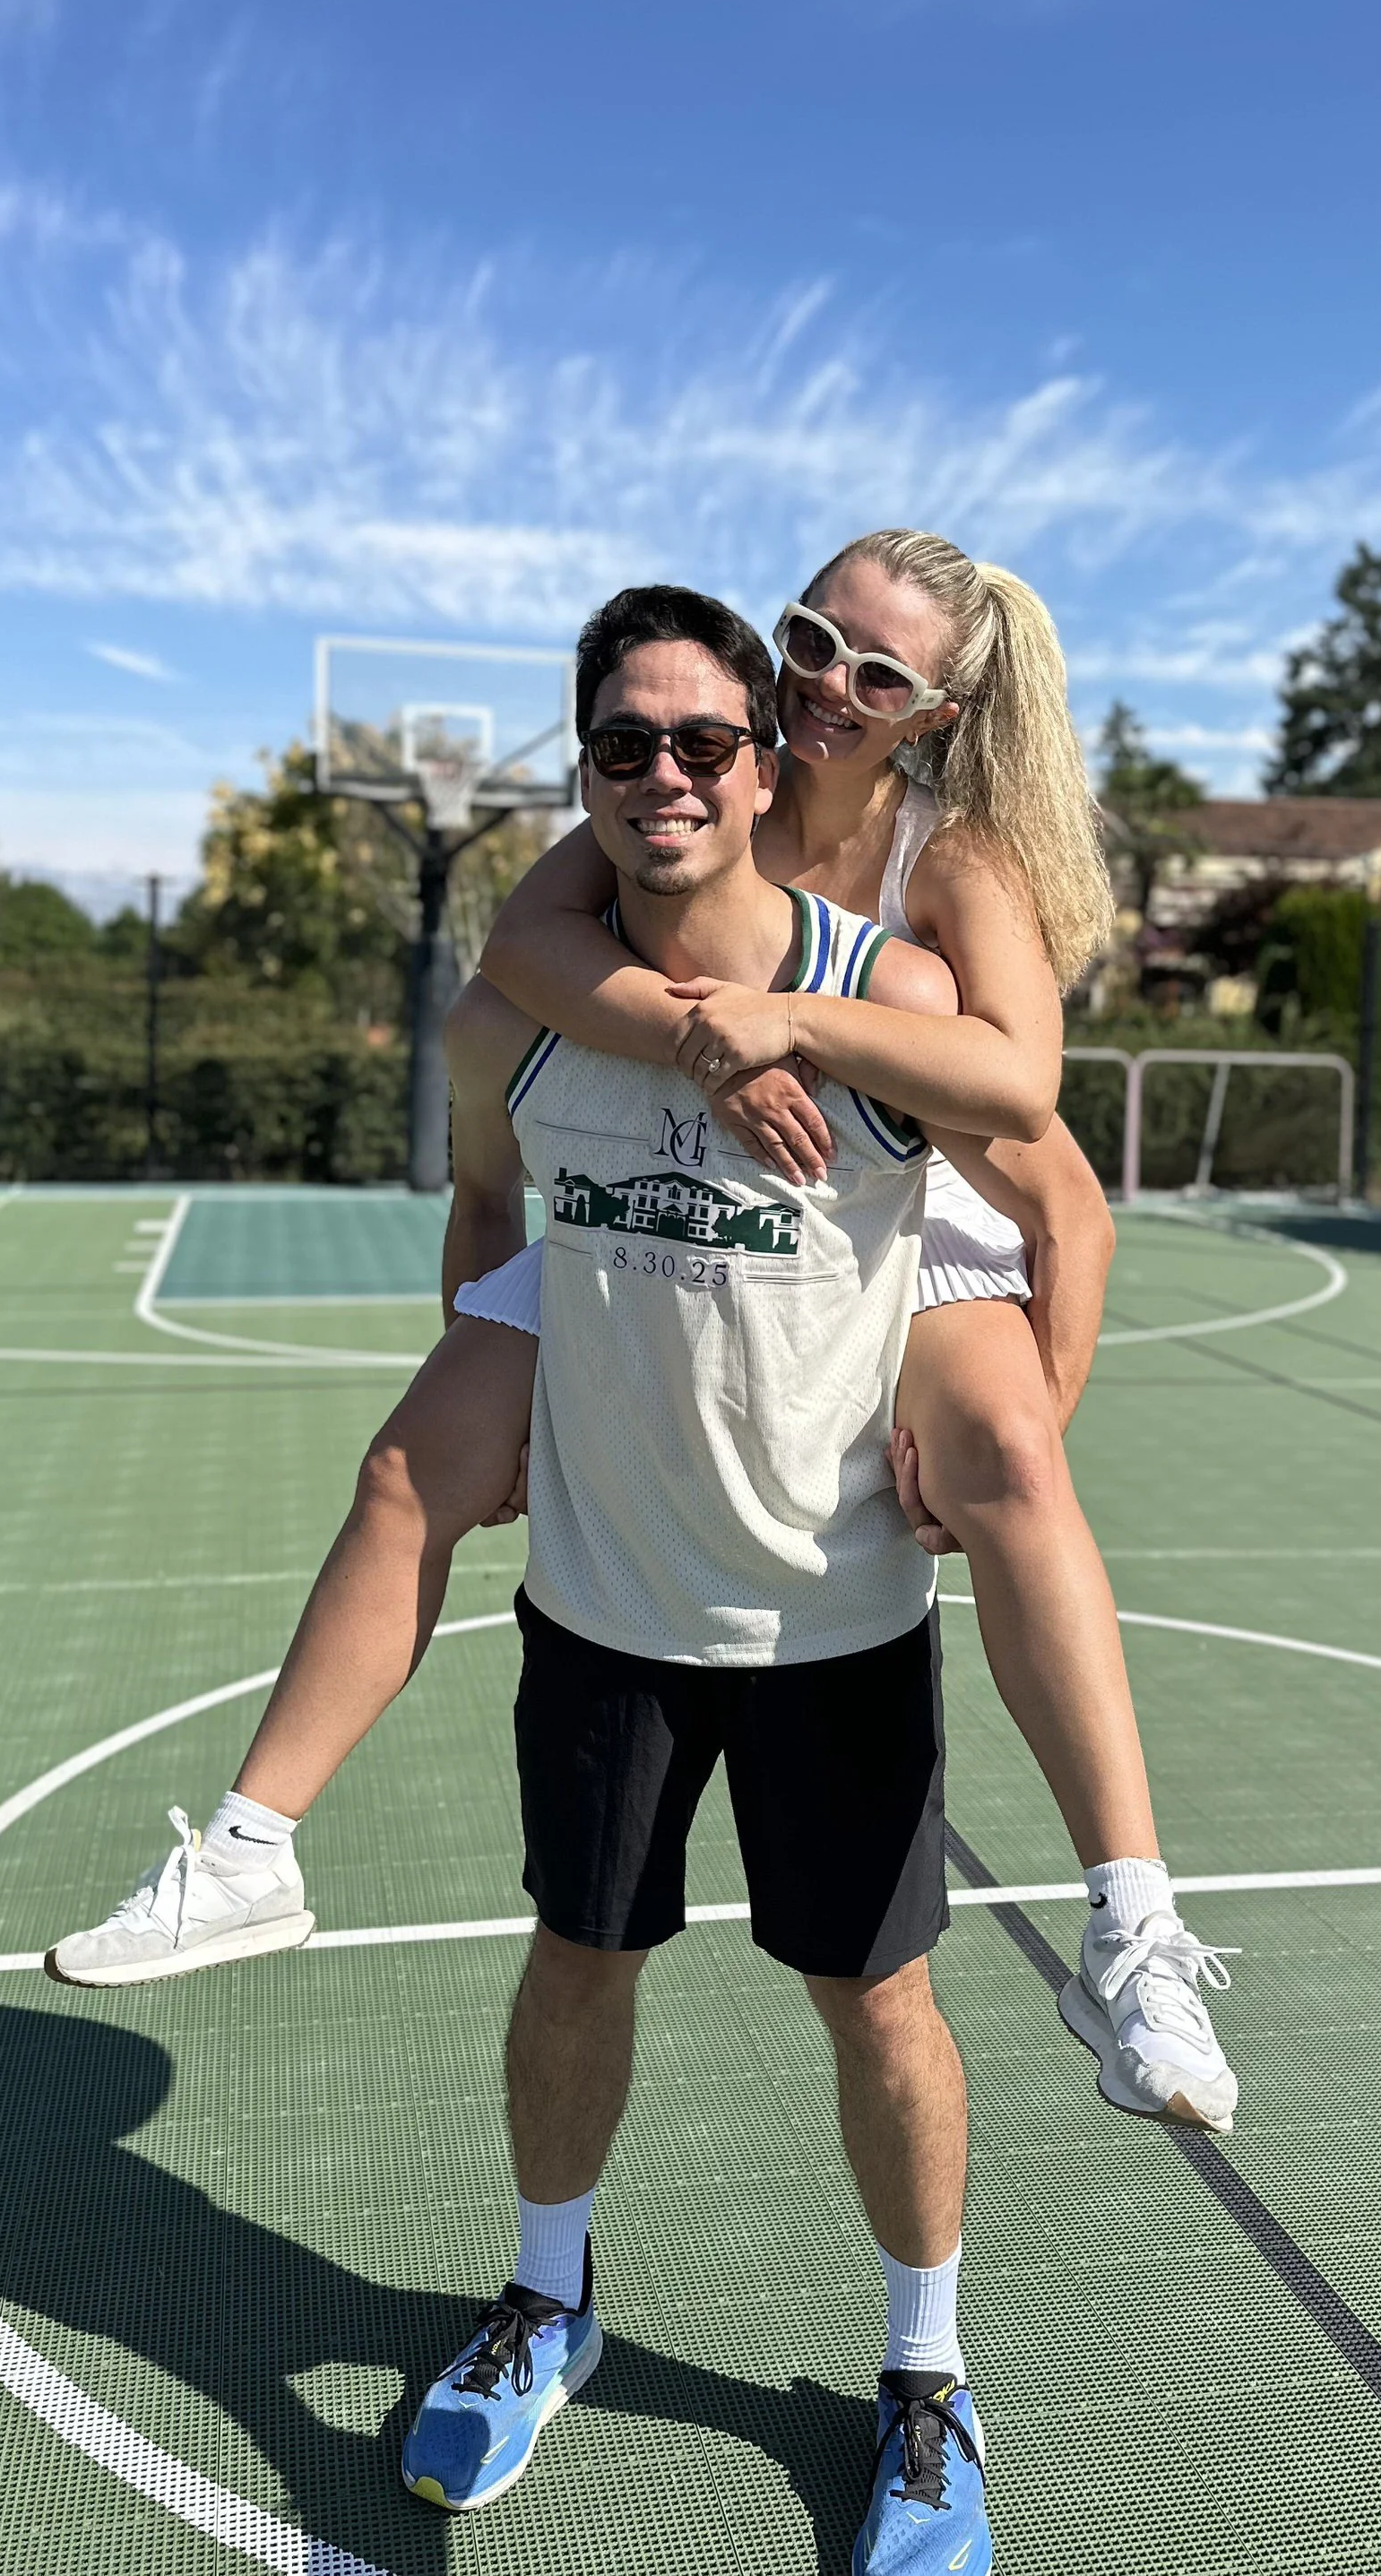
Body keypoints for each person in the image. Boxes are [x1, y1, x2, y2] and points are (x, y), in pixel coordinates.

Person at [52, 533, 1236, 2135]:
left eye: (878, 676)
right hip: (652, 1191)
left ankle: (1131, 1923)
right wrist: (706, 1050)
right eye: (814, 640)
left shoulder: (942, 868)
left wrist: (799, 1028)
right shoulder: (656, 806)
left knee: (1014, 1461)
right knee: (417, 1462)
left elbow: (1038, 1136)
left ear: (934, 712)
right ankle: (252, 1850)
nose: (831, 686)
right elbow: (522, 957)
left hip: (900, 1215)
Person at [411, 587, 1000, 2567]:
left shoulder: (887, 990)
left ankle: (923, 2379)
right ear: (580, 772)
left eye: (698, 742)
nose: (659, 774)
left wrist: (1025, 1415)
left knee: (878, 2004)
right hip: (600, 1607)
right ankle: (546, 2294)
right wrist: (485, 1356)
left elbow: (1036, 1131)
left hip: (832, 1619)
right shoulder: (518, 1003)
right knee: (576, 1963)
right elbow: (483, 1184)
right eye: (617, 743)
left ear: (767, 765)